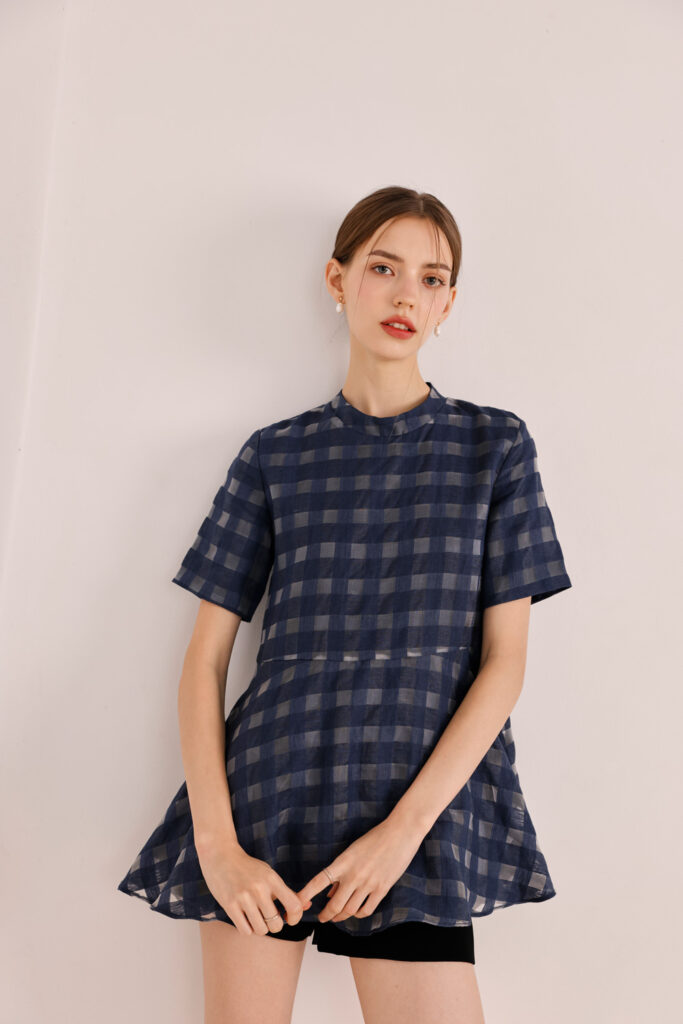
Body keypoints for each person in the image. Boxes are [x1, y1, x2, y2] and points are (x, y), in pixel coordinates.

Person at [117, 185, 572, 1023]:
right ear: (338, 279)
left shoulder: (494, 447)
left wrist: (400, 835)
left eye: (431, 279)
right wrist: (217, 846)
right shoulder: (274, 456)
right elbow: (204, 661)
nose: (406, 296)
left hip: (420, 815)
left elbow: (504, 667)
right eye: (383, 268)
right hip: (269, 799)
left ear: (448, 303)